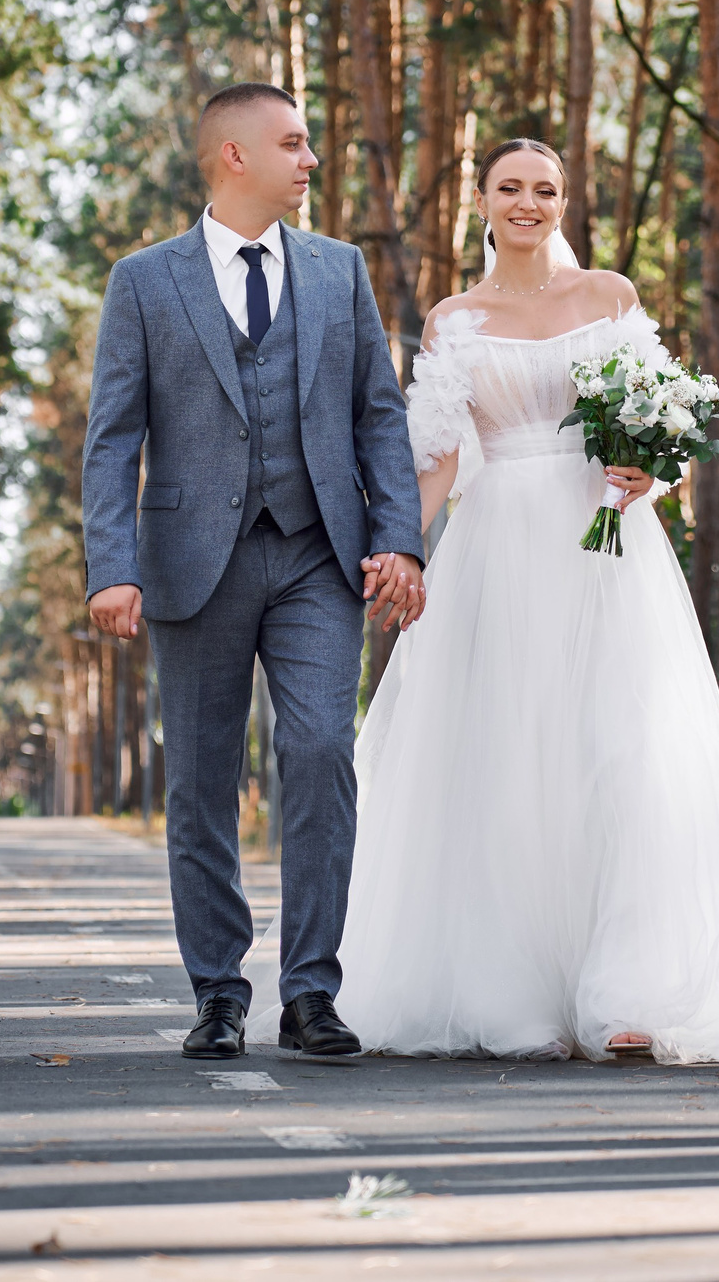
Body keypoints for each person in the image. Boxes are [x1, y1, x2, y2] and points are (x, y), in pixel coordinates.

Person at [324, 137, 719, 1063]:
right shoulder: (454, 319)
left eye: (545, 188)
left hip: (607, 549)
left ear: (564, 199)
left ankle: (629, 993)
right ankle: (515, 997)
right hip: (498, 550)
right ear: (481, 201)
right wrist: (393, 550)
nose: (528, 202)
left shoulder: (611, 297)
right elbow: (440, 456)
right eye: (510, 187)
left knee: (623, 759)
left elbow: (658, 432)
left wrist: (649, 476)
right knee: (507, 762)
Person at [81, 82, 426, 1062]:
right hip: (193, 565)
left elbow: (377, 414)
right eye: (293, 143)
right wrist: (112, 566)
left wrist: (397, 537)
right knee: (201, 781)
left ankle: (312, 989)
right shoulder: (144, 281)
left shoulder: (338, 271)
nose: (309, 160)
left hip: (319, 553)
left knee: (320, 752)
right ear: (234, 156)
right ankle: (219, 988)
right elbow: (112, 439)